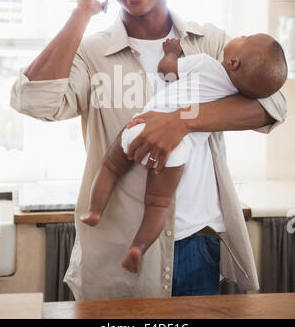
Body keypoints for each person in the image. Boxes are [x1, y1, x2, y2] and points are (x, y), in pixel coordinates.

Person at [10, 0, 287, 300]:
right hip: (116, 251)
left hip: (196, 245)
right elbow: (34, 102)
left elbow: (272, 106)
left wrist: (182, 120)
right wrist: (81, 13)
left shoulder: (211, 44)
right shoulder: (91, 54)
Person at [80, 34, 287, 274]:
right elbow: (272, 105)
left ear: (233, 63)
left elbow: (165, 69)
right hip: (179, 151)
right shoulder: (239, 97)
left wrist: (172, 53)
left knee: (111, 167)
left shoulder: (205, 63)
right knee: (158, 204)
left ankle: (95, 209)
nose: (239, 35)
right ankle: (138, 247)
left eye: (245, 38)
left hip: (143, 126)